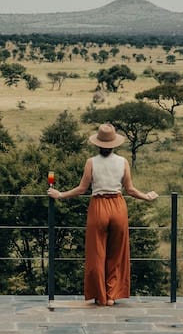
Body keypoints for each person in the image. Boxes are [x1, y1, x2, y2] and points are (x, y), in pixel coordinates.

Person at [47, 123, 158, 306]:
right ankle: (112, 295)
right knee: (117, 253)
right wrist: (146, 197)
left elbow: (82, 189)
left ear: (97, 144)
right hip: (118, 205)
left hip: (98, 206)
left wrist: (60, 195)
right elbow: (130, 189)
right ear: (114, 144)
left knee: (96, 253)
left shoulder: (91, 162)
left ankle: (100, 296)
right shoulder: (123, 162)